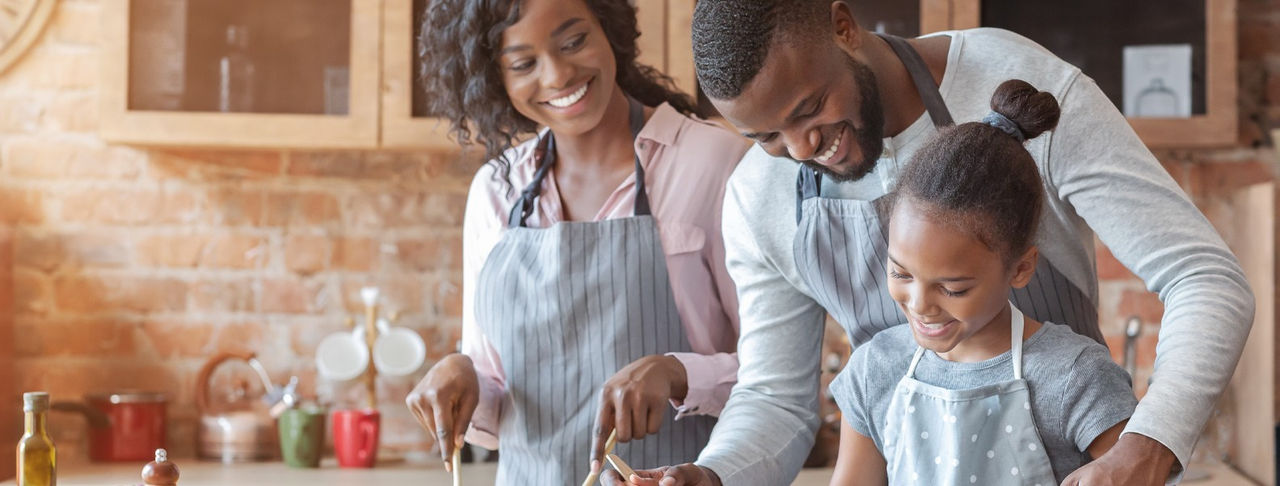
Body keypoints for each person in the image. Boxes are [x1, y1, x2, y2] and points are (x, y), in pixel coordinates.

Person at [603, 1, 1253, 485]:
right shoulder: (758, 195)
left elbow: (1203, 278)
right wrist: (713, 473)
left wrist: (1149, 443)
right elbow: (776, 396)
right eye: (764, 136)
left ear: (842, 25)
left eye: (808, 110)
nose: (802, 151)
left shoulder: (1015, 80)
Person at [403, 0, 747, 484]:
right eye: (524, 63)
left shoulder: (716, 164)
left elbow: (777, 380)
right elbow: (500, 385)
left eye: (574, 42)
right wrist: (461, 375)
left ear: (609, 30)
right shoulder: (496, 191)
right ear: (492, 77)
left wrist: (678, 372)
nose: (559, 75)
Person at [828, 80, 1137, 485]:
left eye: (953, 288)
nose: (920, 304)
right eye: (901, 273)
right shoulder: (876, 369)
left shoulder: (1075, 378)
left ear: (1021, 269)